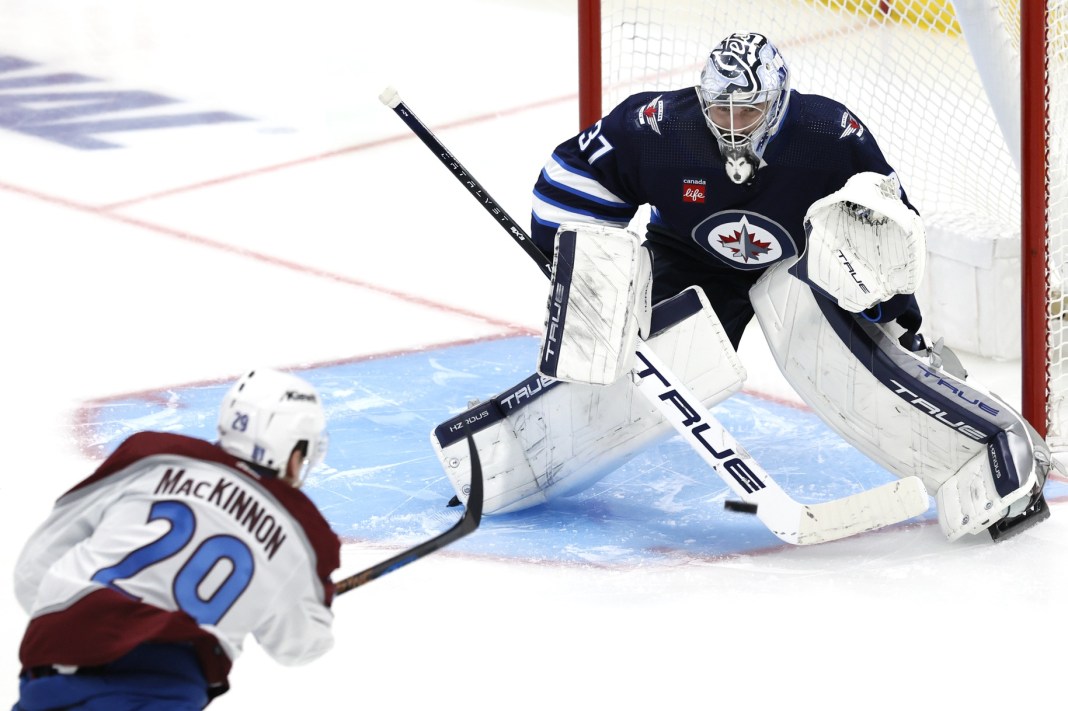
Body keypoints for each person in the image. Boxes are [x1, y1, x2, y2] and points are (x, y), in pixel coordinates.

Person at [432, 31, 1055, 542]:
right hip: (688, 256)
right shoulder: (660, 126)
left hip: (797, 264)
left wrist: (896, 318)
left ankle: (977, 450)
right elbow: (572, 178)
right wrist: (580, 266)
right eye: (719, 110)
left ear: (779, 103)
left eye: (747, 110)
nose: (731, 126)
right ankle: (522, 448)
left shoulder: (828, 134)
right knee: (634, 356)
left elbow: (886, 235)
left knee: (836, 358)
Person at [12, 367, 340, 710]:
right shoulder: (301, 534)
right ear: (292, 448)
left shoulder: (152, 456)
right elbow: (301, 646)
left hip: (60, 652)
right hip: (163, 682)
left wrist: (83, 631)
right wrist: (309, 604)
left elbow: (34, 567)